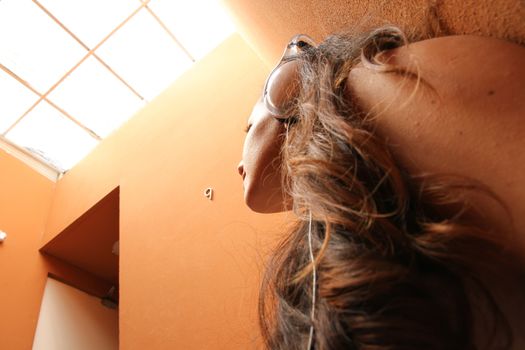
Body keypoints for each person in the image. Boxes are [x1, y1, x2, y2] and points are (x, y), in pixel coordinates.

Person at [237, 26, 525, 350]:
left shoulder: (369, 90)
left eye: (247, 127)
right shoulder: (339, 204)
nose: (238, 166)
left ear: (283, 86)